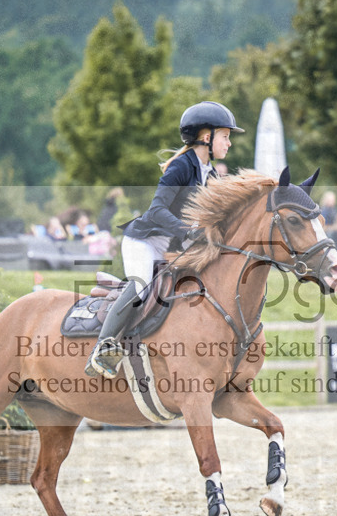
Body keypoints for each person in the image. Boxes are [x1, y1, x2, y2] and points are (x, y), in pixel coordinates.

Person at [85, 101, 244, 378]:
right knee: (142, 286)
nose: (229, 143)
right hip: (145, 242)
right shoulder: (182, 167)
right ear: (207, 137)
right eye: (225, 136)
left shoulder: (210, 174)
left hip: (174, 249)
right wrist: (188, 231)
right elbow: (157, 210)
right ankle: (104, 347)